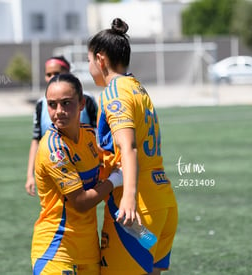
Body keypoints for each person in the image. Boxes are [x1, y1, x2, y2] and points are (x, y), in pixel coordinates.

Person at [87, 18, 178, 275]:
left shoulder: (115, 92)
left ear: (100, 59)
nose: (89, 67)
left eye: (89, 61)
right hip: (162, 202)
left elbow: (129, 147)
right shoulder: (137, 87)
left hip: (135, 211)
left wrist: (128, 197)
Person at [30, 73, 122, 275]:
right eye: (52, 104)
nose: (59, 111)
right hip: (57, 251)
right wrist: (114, 180)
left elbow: (118, 160)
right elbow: (80, 202)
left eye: (66, 103)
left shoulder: (89, 135)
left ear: (81, 104)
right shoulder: (54, 149)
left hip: (89, 250)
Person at [25, 56, 98, 196]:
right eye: (48, 74)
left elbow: (97, 132)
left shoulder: (86, 99)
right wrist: (30, 174)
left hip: (84, 162)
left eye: (56, 73)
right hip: (56, 160)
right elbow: (36, 139)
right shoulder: (42, 104)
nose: (59, 111)